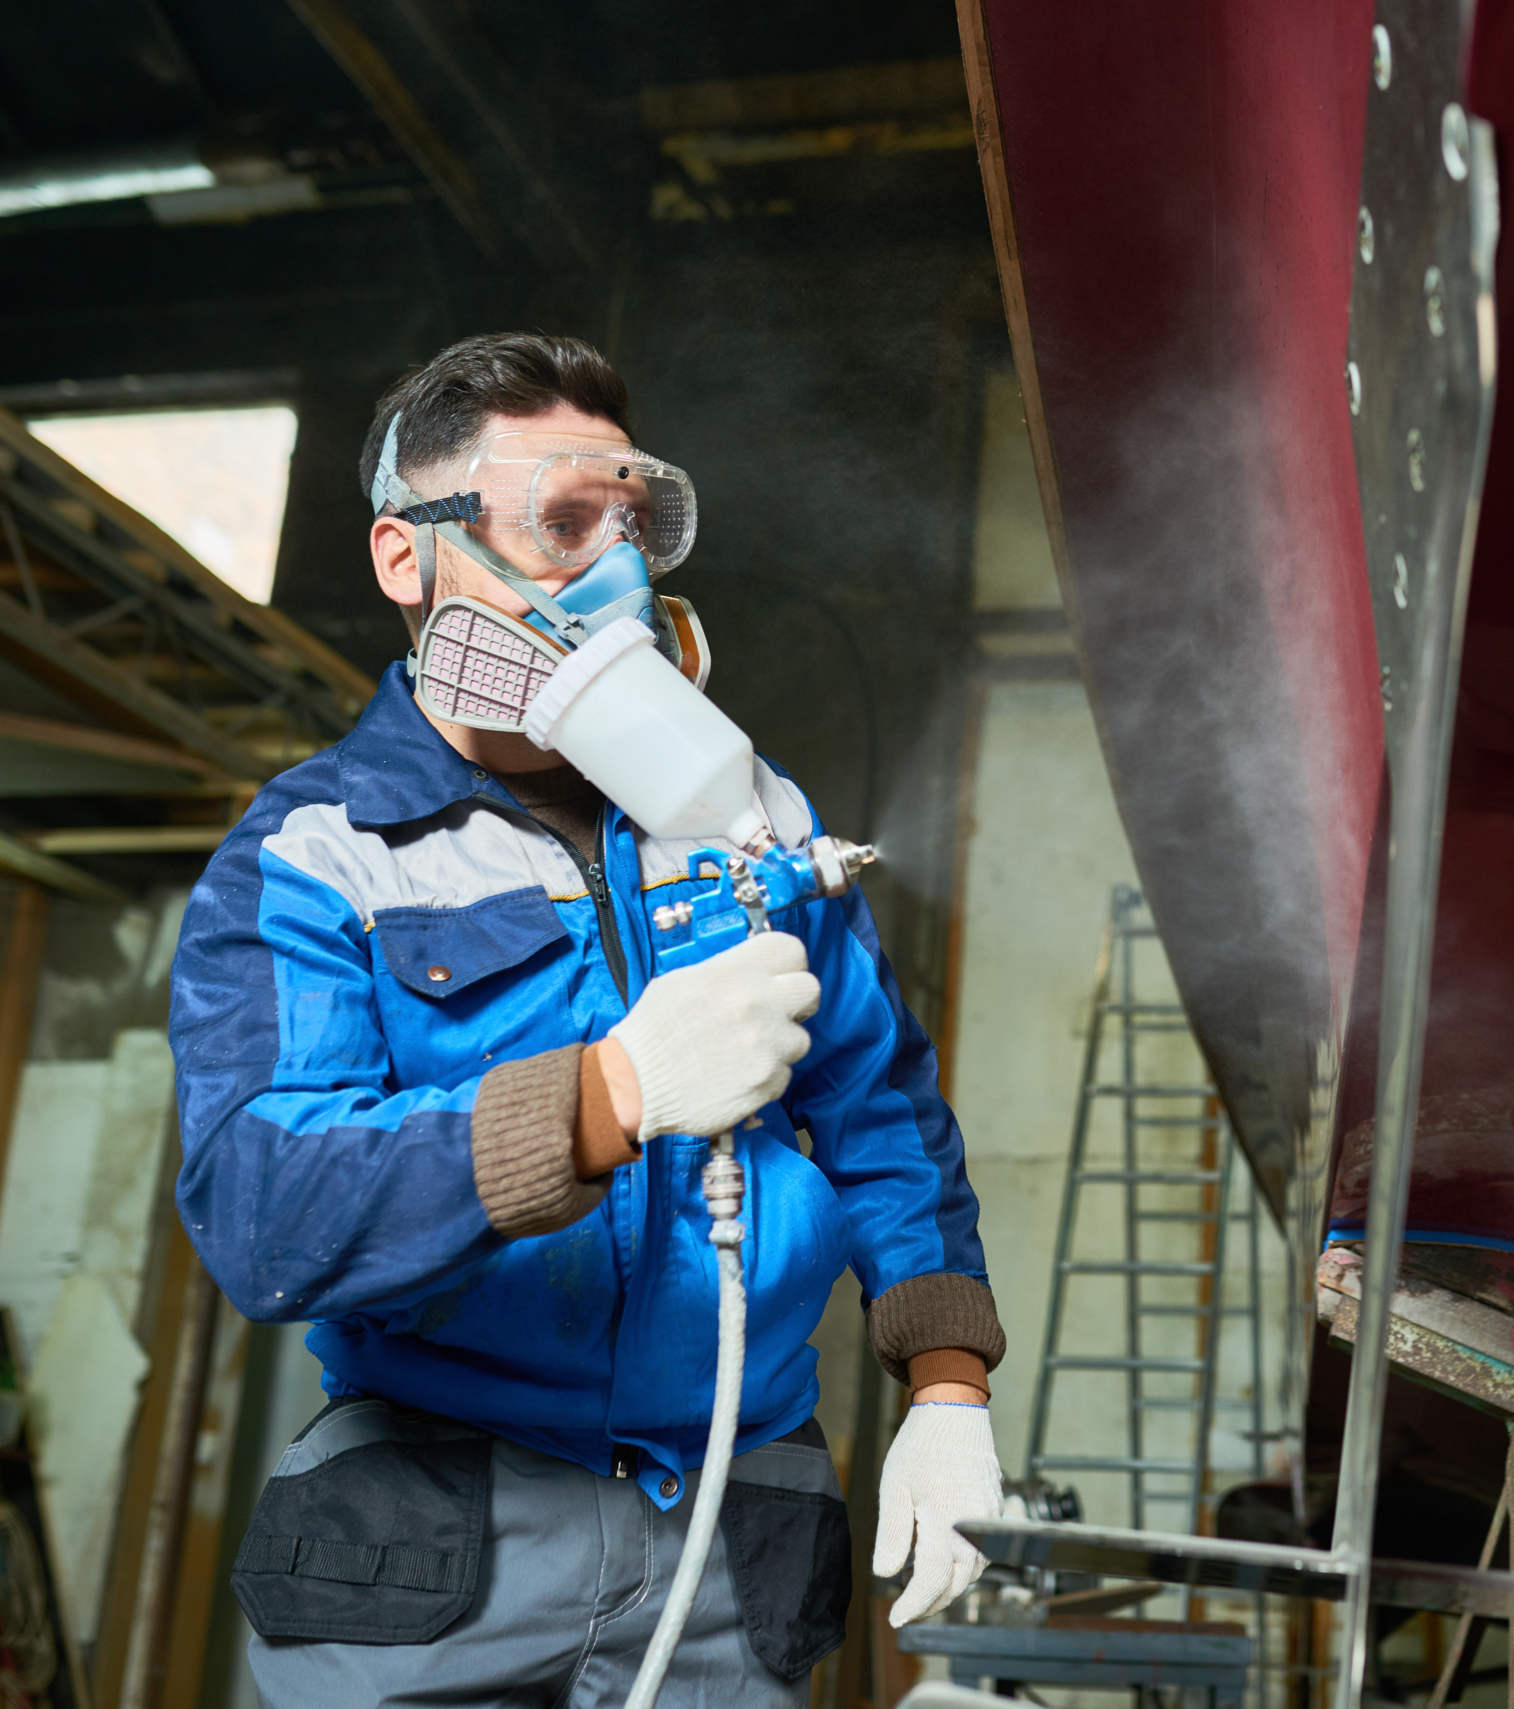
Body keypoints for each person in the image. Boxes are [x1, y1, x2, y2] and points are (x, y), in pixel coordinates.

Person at [169, 332, 1005, 1706]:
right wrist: (600, 1099)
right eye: (562, 525)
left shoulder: (753, 815)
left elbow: (884, 1113)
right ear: (406, 559)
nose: (616, 576)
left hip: (739, 1510)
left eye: (632, 527)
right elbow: (263, 1207)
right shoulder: (318, 855)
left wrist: (949, 1384)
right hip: (437, 1521)